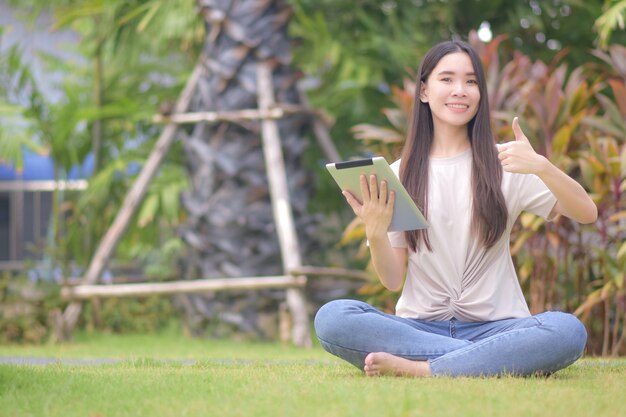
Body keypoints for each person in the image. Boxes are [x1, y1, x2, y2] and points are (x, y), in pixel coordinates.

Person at [314, 40, 597, 377]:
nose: (460, 90)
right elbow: (391, 280)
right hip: (419, 329)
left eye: (471, 81)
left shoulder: (507, 162)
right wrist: (375, 231)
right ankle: (483, 361)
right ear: (424, 91)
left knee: (567, 331)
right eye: (447, 79)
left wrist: (541, 166)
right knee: (333, 317)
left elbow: (586, 212)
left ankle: (424, 369)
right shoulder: (398, 173)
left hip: (498, 328)